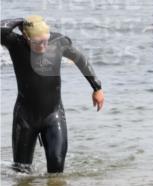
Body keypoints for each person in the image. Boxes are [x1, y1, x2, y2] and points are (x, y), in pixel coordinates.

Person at [1, 15, 104, 173]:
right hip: (25, 117)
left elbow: (80, 59)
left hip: (53, 115)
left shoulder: (58, 43)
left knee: (56, 168)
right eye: (37, 42)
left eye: (46, 40)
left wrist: (96, 87)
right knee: (21, 172)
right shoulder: (16, 44)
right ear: (26, 37)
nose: (43, 45)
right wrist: (20, 20)